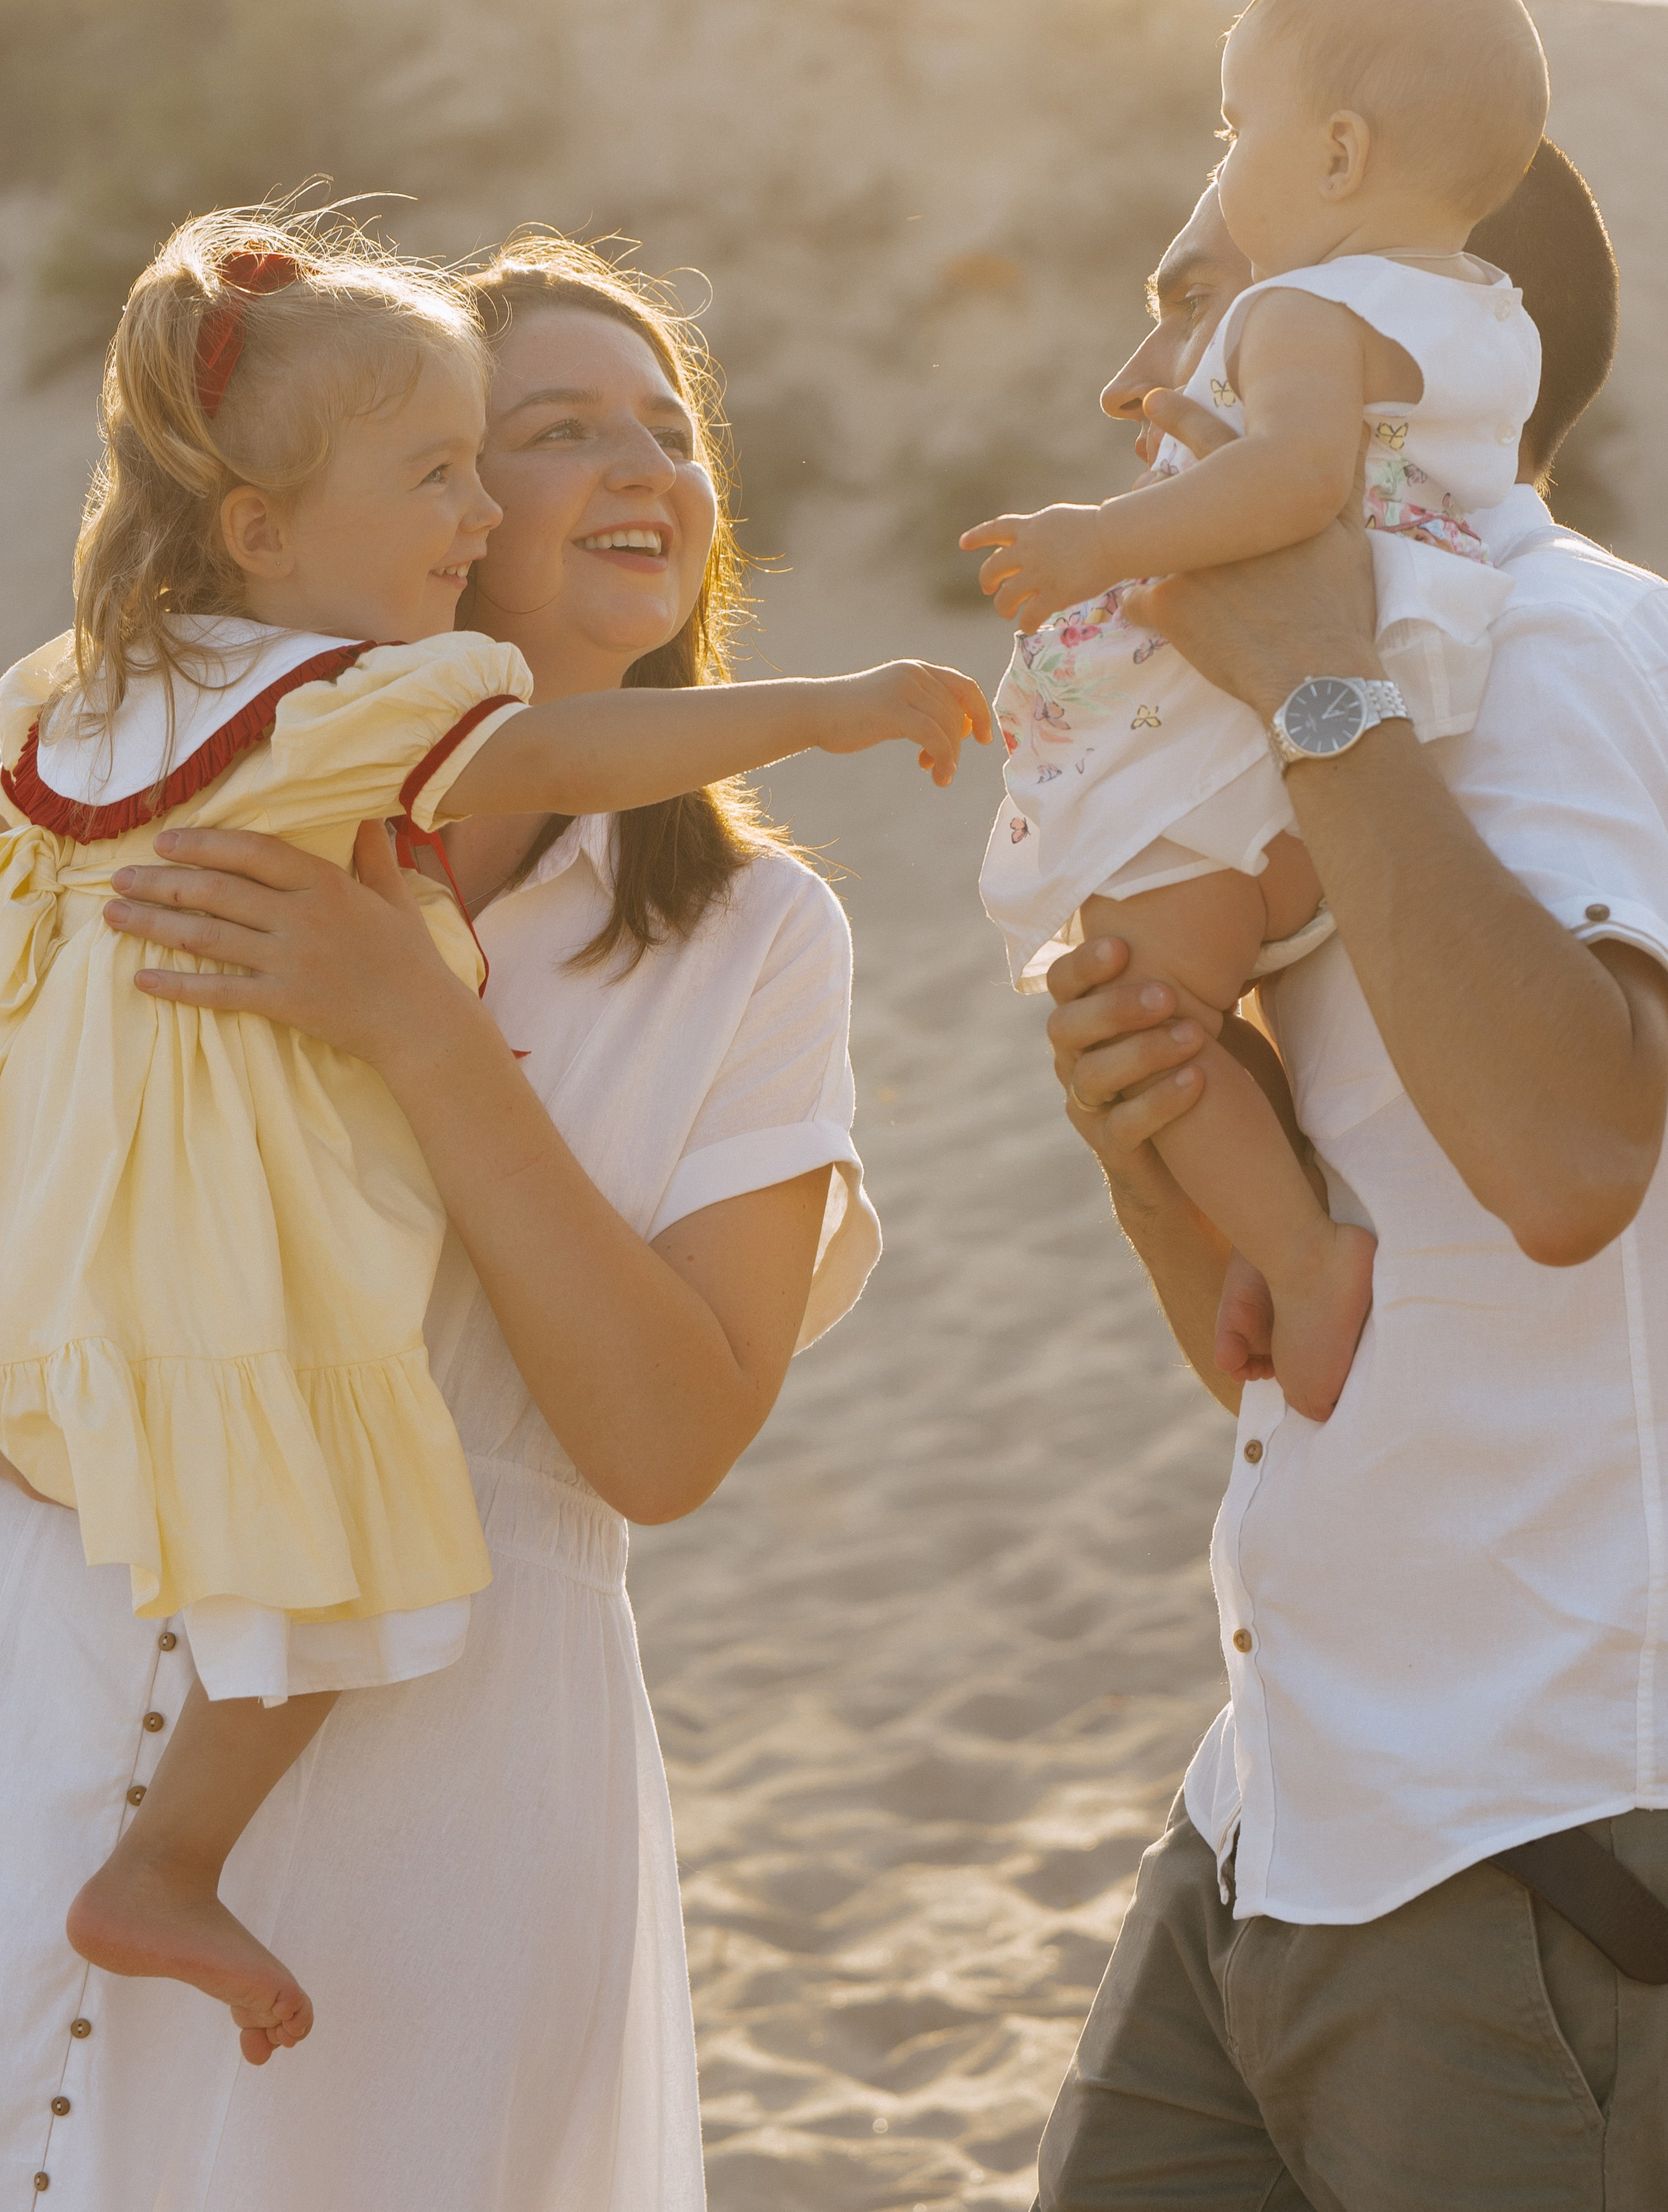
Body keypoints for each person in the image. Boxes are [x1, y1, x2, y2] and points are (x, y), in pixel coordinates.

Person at [0, 207, 988, 2065]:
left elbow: (671, 1442)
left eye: (671, 425)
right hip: (47, 1686)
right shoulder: (148, 787)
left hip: (449, 1791)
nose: (642, 468)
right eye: (534, 435)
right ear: (309, 500)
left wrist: (413, 1027)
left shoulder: (757, 939)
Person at [1032, 142, 1668, 2204]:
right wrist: (1151, 1138)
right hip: (1277, 1816)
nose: (1149, 366)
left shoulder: (1556, 650)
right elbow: (1274, 1358)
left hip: (1541, 1850)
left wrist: (1320, 692)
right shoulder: (1272, 727)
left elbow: (1571, 1155)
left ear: (1415, 349)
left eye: (1215, 302)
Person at [962, 0, 1548, 1423]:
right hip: (1405, 681)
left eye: (1234, 128)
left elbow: (1291, 480)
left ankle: (1299, 1253)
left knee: (1139, 1004)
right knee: (1179, 1018)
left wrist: (1101, 536)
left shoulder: (1296, 311)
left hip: (1238, 714)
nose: (1223, 161)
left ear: (1336, 150)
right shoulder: (1486, 318)